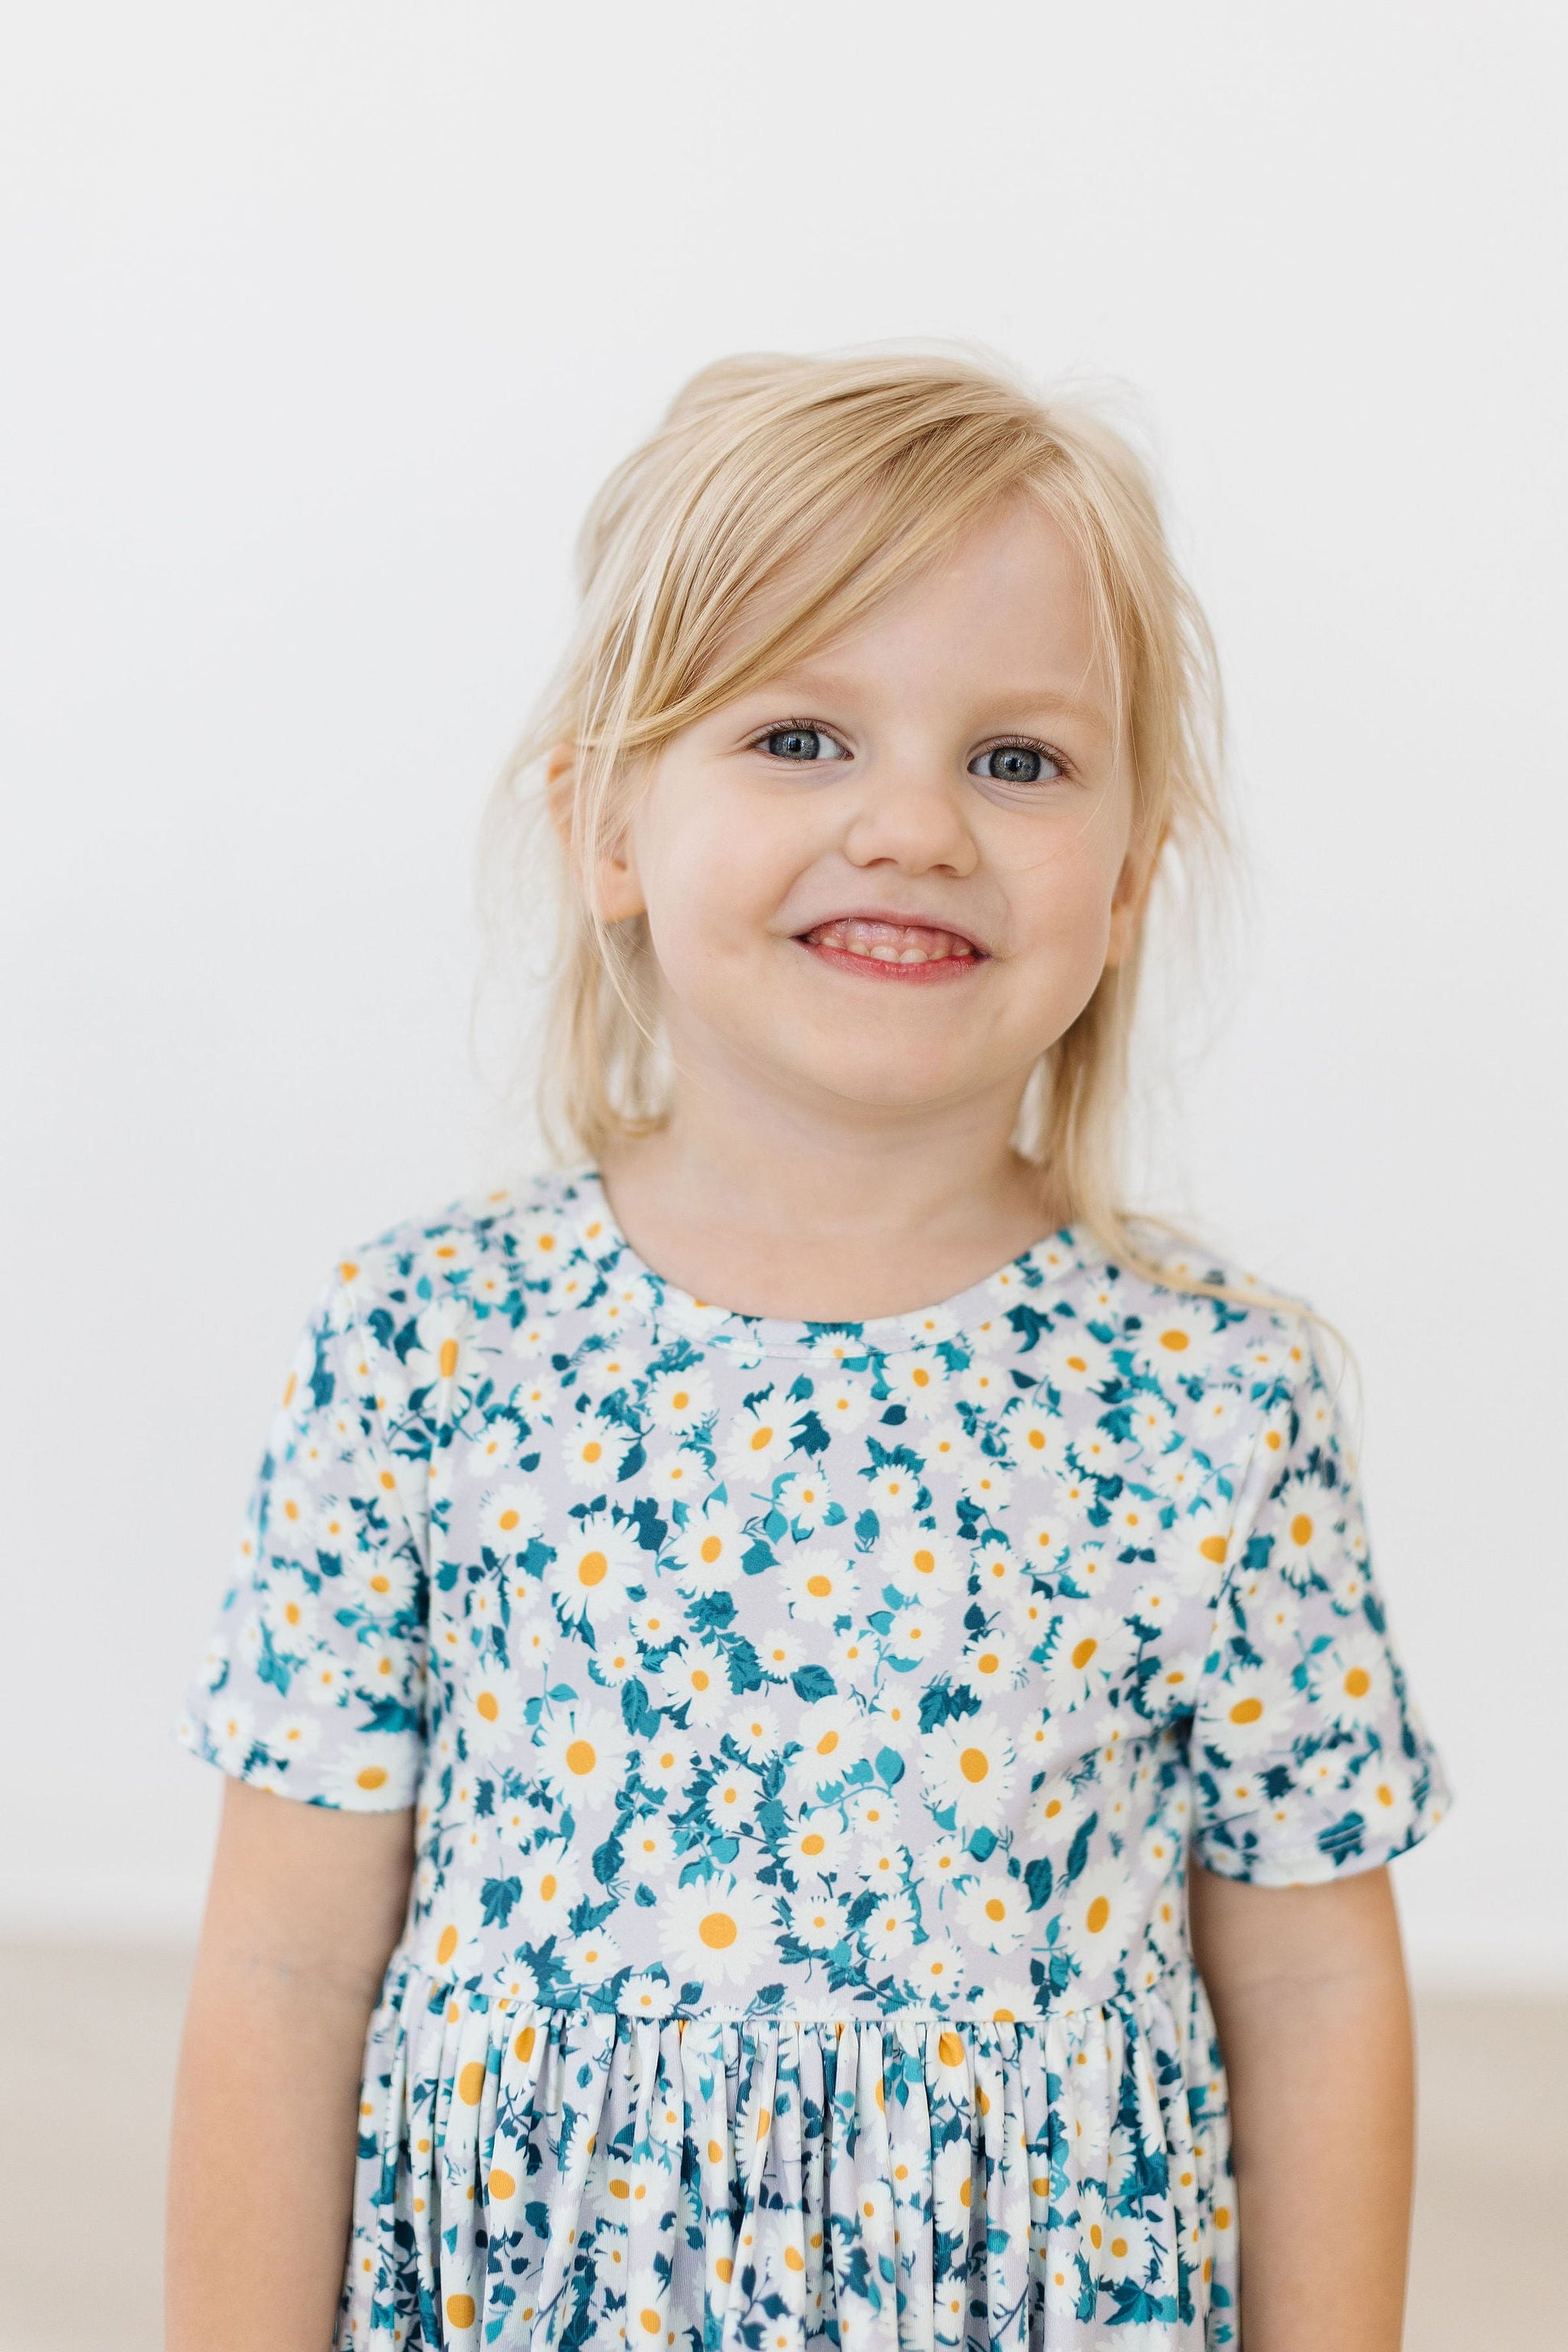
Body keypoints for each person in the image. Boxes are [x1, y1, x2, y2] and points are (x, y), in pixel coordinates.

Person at [166, 351, 1448, 2352]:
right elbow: (281, 1966)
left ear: (1127, 879)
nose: (914, 823)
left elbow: (1307, 1978)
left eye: (1016, 759)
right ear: (607, 825)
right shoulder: (428, 1344)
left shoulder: (1215, 1396)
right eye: (797, 735)